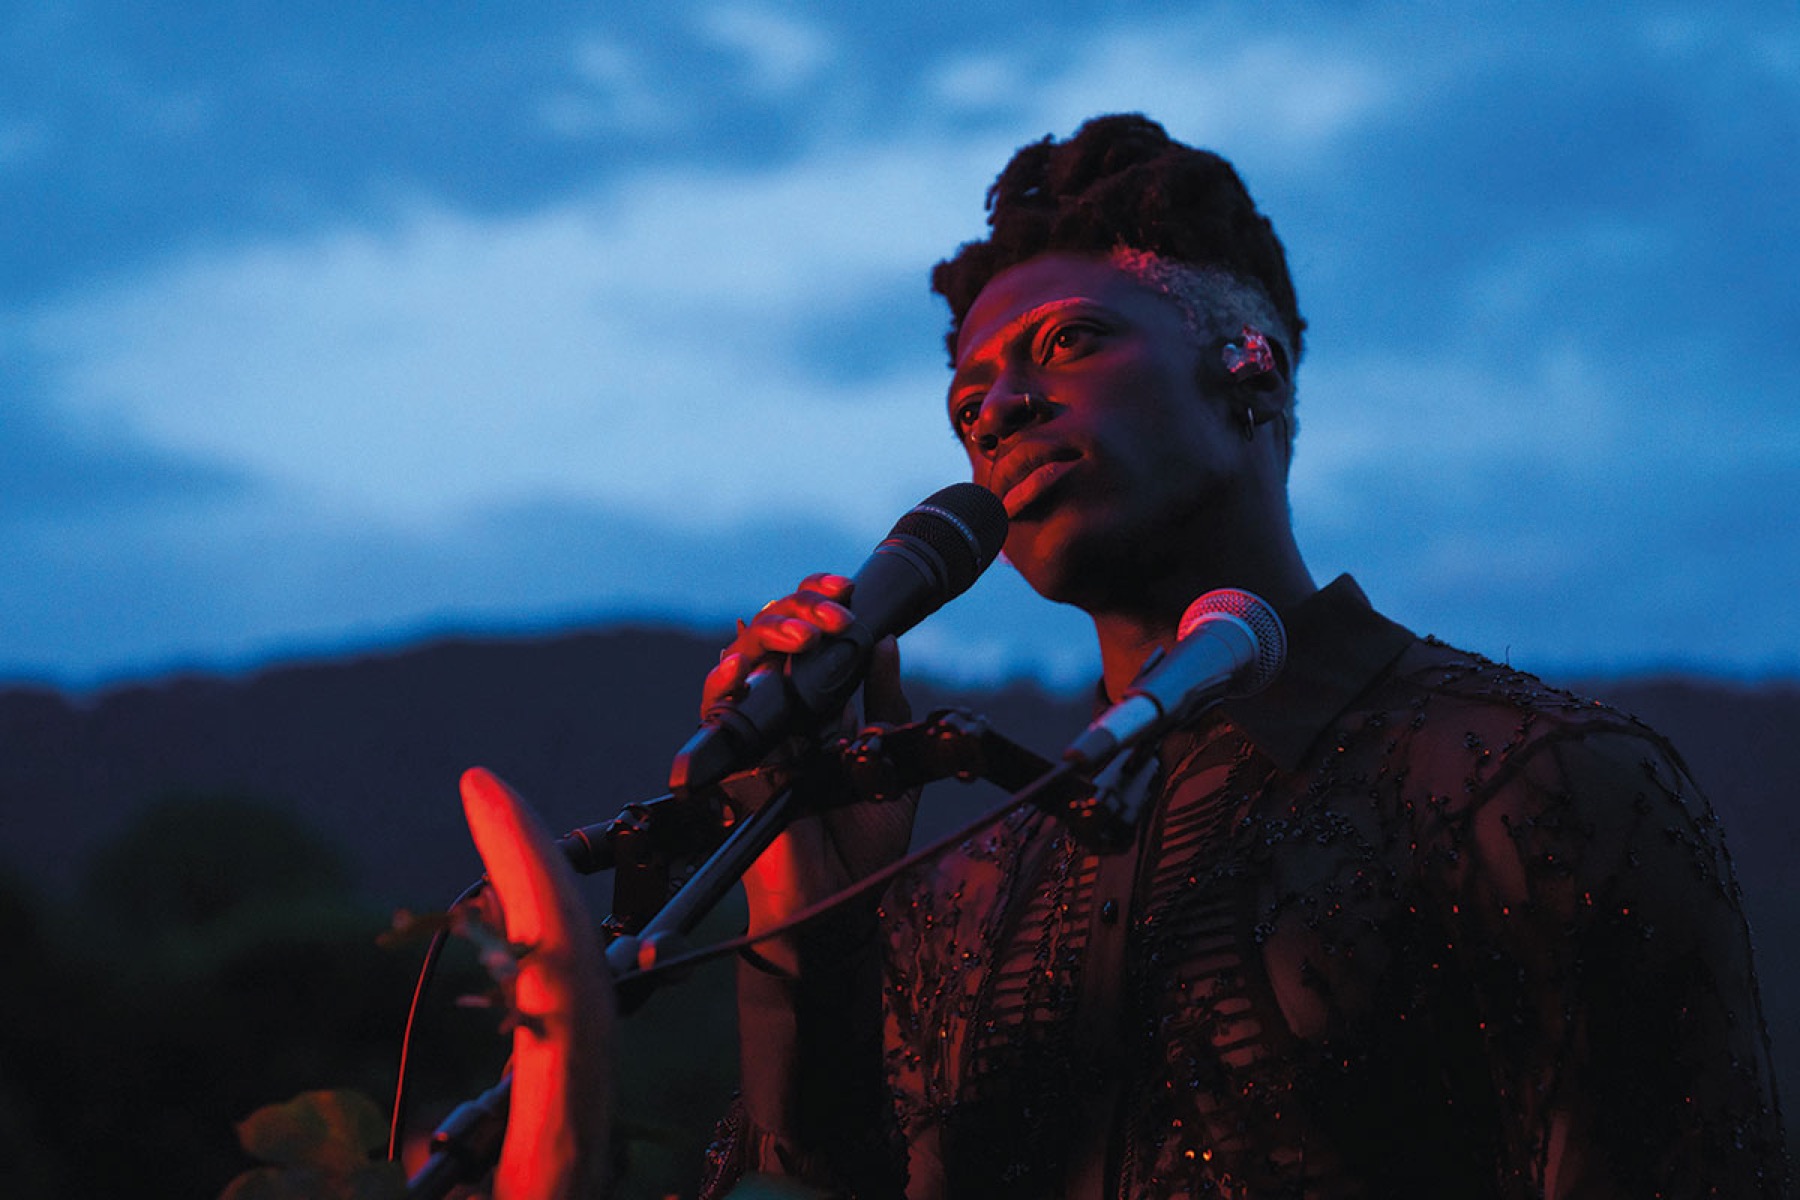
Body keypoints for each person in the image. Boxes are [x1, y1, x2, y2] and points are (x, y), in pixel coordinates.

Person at [689, 114, 1790, 1198]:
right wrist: (809, 924)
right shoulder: (957, 888)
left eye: (1069, 341)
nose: (999, 411)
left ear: (1248, 372)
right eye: (967, 402)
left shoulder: (1539, 785)